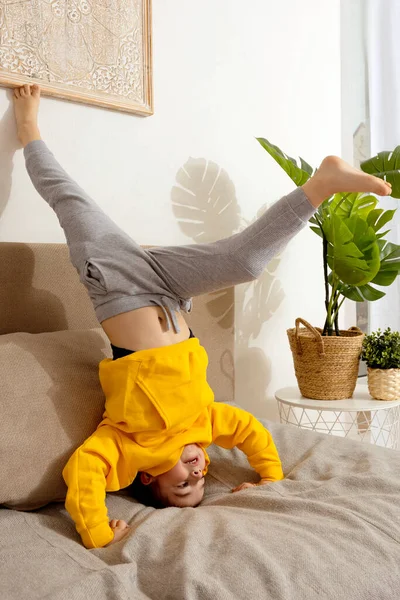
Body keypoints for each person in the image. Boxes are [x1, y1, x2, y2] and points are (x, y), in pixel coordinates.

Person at [12, 84, 392, 549]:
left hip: (118, 284)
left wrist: (95, 530)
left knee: (68, 198)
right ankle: (321, 183)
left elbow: (83, 473)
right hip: (170, 290)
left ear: (149, 478)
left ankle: (28, 127)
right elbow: (251, 431)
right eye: (201, 479)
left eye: (183, 485)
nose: (197, 471)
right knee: (246, 263)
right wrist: (269, 478)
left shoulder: (127, 447)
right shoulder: (206, 422)